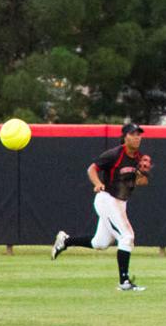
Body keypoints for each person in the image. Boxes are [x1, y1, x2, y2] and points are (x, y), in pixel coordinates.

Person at [50, 123, 150, 291]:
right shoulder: (115, 154)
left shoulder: (138, 157)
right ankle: (124, 282)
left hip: (120, 203)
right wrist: (98, 183)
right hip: (107, 199)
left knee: (100, 243)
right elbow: (92, 169)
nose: (137, 137)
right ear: (125, 137)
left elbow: (141, 181)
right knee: (127, 236)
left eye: (139, 134)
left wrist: (143, 173)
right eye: (133, 134)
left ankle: (65, 241)